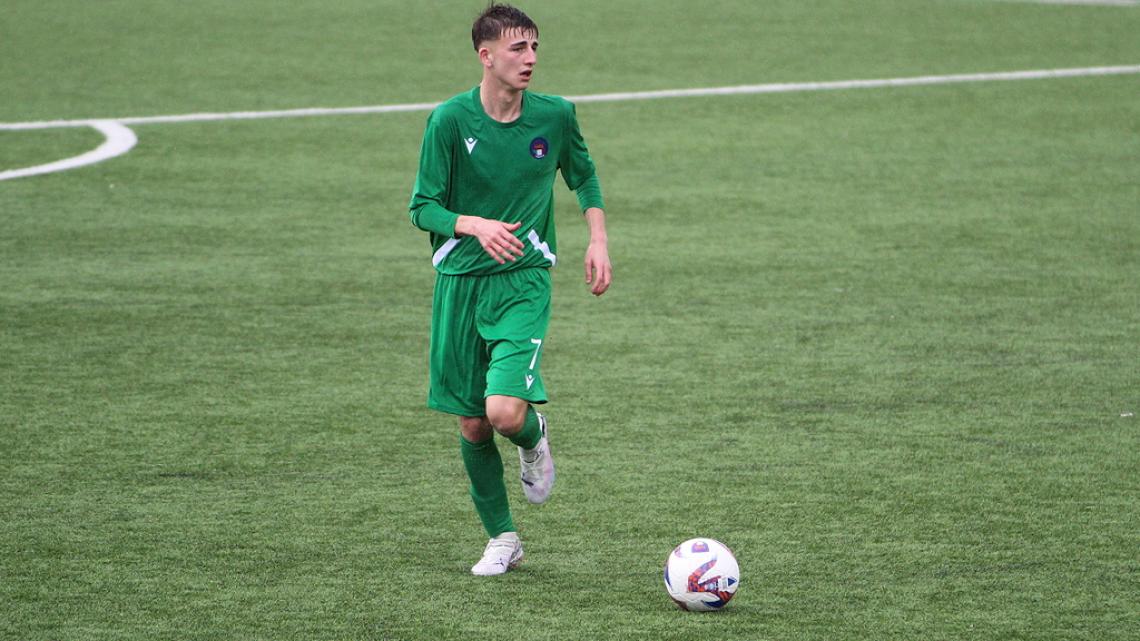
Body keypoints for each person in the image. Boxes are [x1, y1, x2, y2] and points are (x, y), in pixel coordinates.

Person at [408, 3, 612, 576]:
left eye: (535, 47)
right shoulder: (449, 121)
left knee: (501, 412)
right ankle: (504, 538)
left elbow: (584, 175)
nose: (530, 58)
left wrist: (597, 239)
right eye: (518, 48)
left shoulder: (555, 116)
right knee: (472, 422)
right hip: (459, 283)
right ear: (486, 55)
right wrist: (472, 224)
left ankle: (532, 434)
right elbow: (422, 207)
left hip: (523, 281)